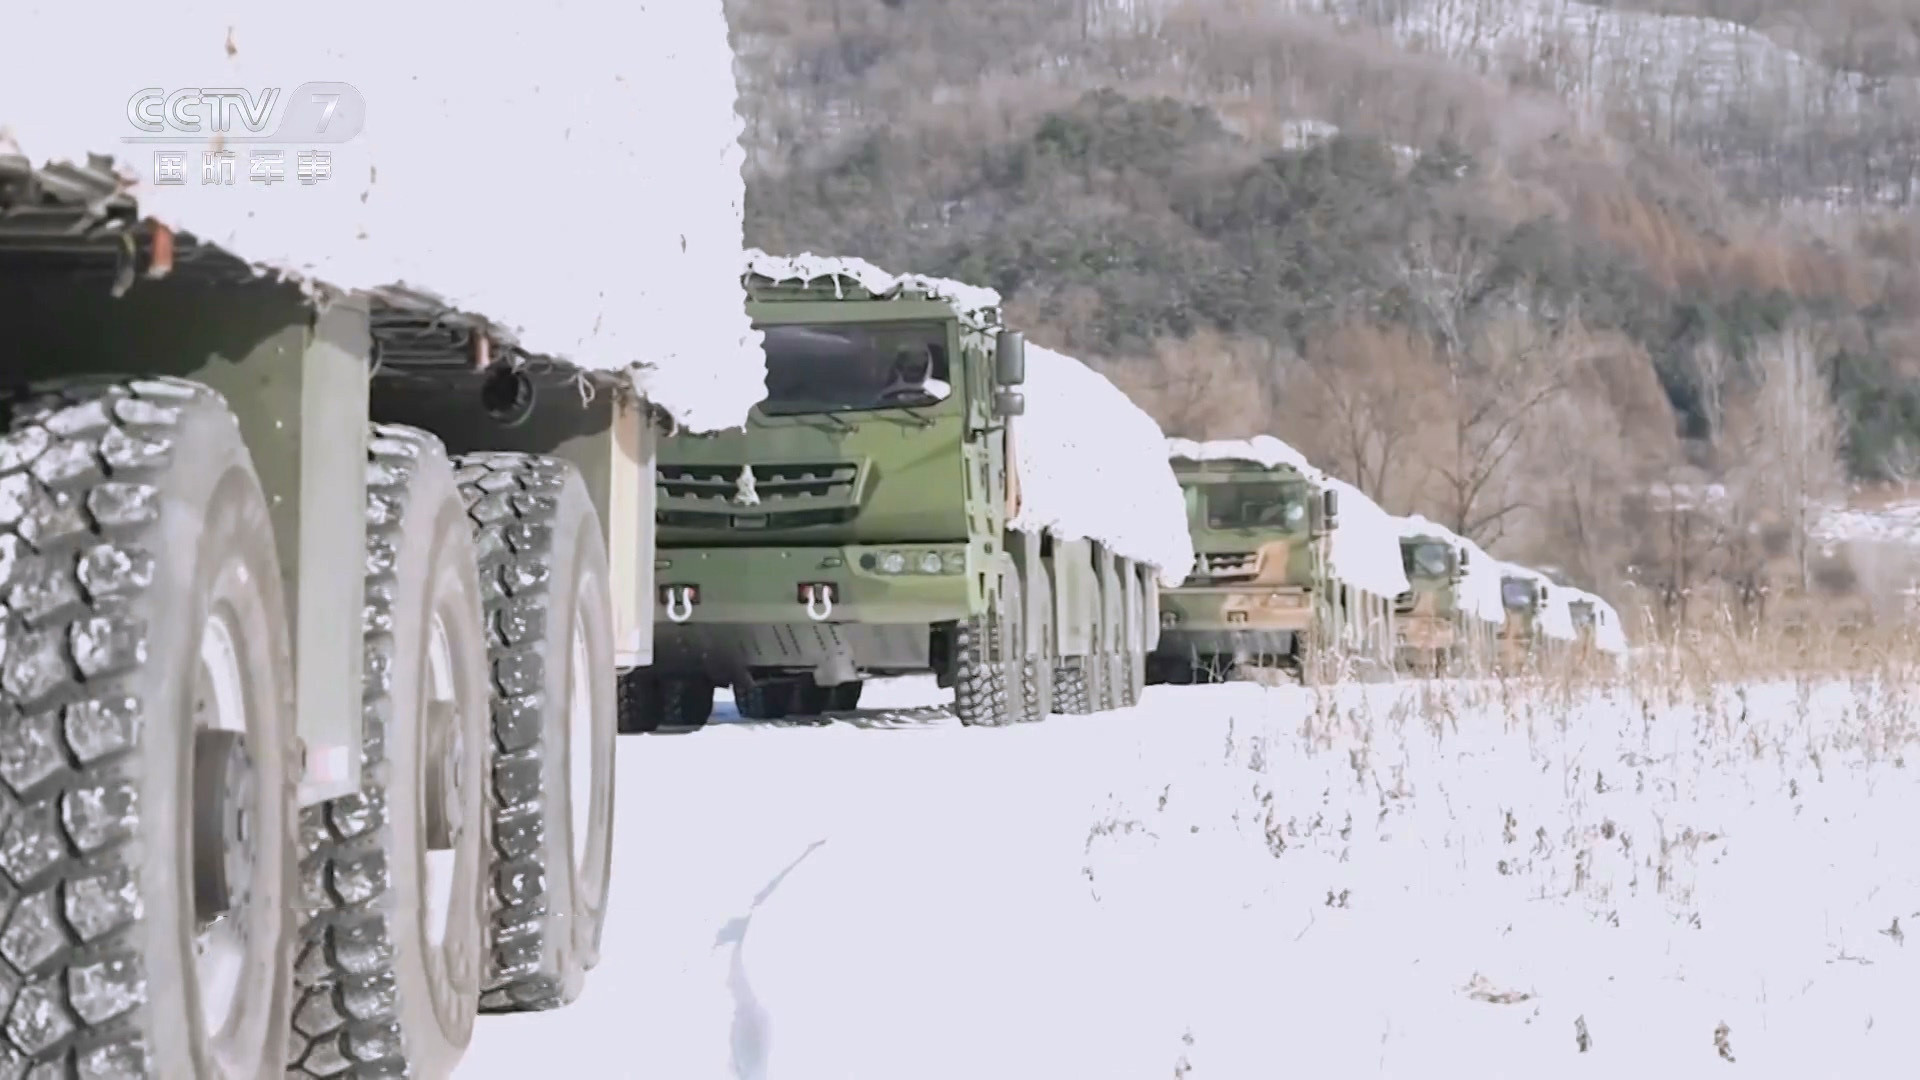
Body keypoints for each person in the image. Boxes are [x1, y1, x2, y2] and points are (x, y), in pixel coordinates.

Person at [877, 344, 950, 405]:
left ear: (929, 363)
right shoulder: (885, 396)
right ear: (899, 366)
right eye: (908, 360)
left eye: (920, 363)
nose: (914, 364)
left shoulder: (944, 390)